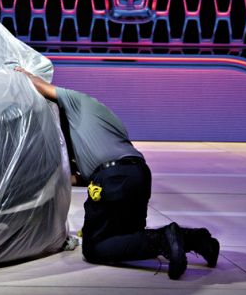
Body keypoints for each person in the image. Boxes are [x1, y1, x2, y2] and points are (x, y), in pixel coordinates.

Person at [14, 67, 220, 280]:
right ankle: (197, 240)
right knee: (129, 237)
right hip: (138, 175)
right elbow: (87, 175)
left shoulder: (76, 101)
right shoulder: (104, 121)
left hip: (114, 178)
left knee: (95, 248)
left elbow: (42, 87)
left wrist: (21, 74)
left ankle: (164, 239)